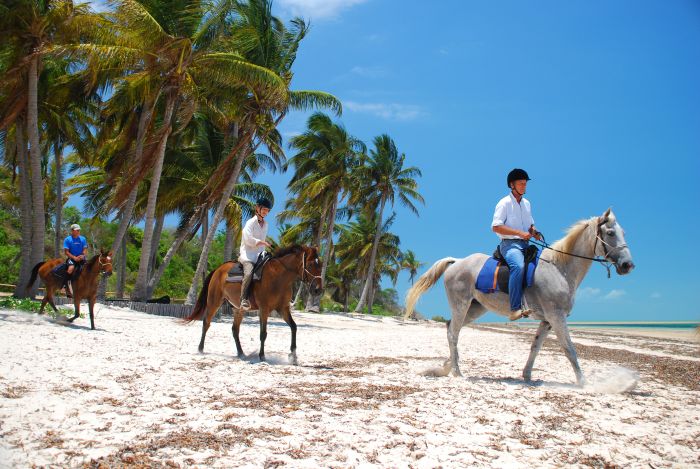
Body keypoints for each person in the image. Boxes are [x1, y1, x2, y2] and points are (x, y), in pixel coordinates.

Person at [491, 169, 542, 321]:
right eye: (521, 183)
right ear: (512, 185)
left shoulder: (527, 203)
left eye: (525, 184)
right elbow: (496, 227)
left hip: (526, 243)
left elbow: (530, 224)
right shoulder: (504, 203)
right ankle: (514, 309)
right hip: (509, 244)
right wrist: (520, 234)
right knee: (518, 266)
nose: (524, 186)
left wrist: (534, 231)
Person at [238, 198, 272, 310]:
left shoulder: (266, 224)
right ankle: (243, 299)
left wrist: (265, 247)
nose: (265, 212)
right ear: (257, 208)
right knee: (248, 273)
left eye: (267, 210)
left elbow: (262, 240)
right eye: (264, 209)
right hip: (248, 255)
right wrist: (260, 242)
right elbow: (247, 239)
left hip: (260, 254)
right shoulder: (250, 222)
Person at [63, 223, 88, 295]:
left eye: (79, 230)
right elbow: (66, 252)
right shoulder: (67, 239)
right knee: (70, 268)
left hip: (81, 257)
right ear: (72, 230)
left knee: (88, 268)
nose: (78, 231)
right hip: (71, 258)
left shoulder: (83, 239)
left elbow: (85, 249)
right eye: (77, 230)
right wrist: (74, 257)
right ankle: (65, 285)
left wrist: (82, 255)